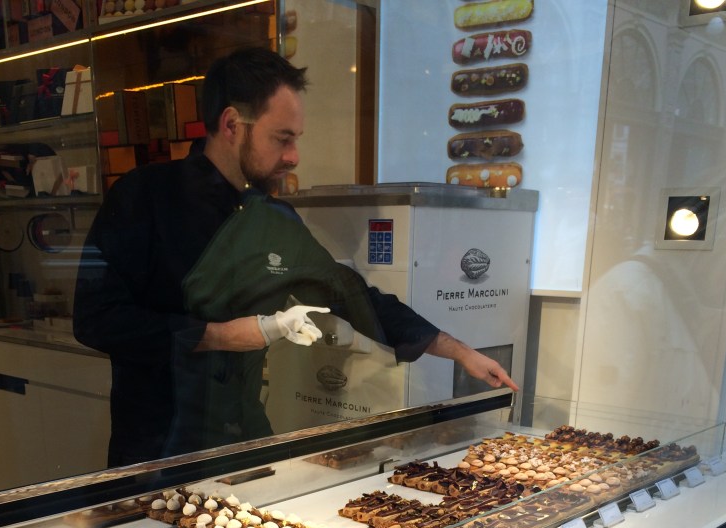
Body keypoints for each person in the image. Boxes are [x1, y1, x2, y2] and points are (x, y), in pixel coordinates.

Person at [74, 47, 518, 468]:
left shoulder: (274, 218)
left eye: (296, 139)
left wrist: (460, 353)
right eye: (281, 139)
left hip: (244, 441)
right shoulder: (143, 197)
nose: (293, 156)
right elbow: (96, 320)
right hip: (156, 449)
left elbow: (352, 295)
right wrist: (221, 335)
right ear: (232, 125)